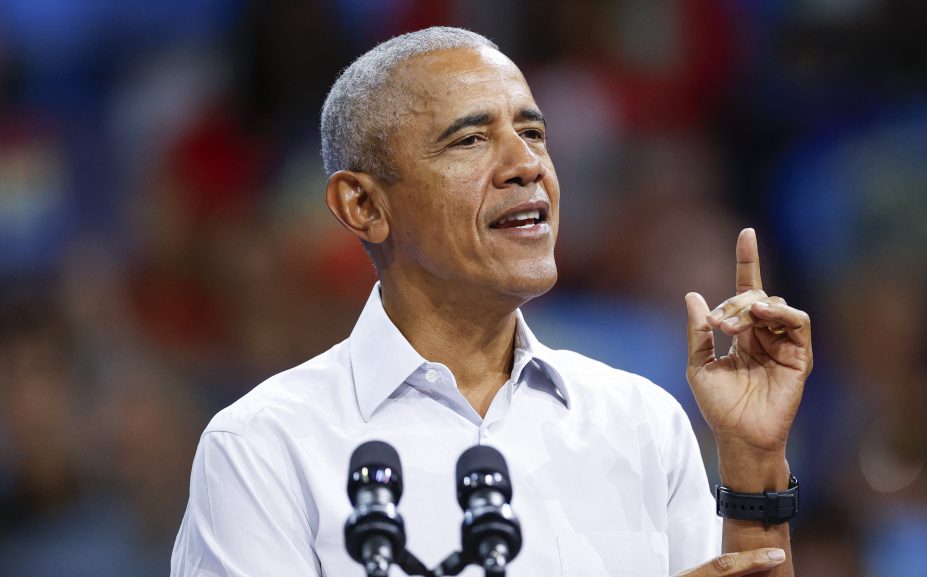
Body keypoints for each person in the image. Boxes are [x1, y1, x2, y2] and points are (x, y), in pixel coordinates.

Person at [171, 27, 812, 577]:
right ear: (362, 205)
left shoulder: (641, 422)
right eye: (469, 141)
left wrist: (754, 460)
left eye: (532, 132)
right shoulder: (265, 447)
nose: (525, 163)